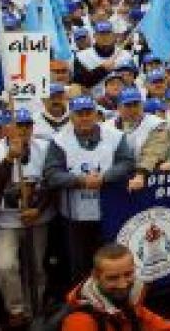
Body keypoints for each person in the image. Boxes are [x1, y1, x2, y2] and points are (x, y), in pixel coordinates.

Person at [43, 96, 135, 282]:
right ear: (72, 116)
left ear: (95, 114)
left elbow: (127, 163)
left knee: (111, 259)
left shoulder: (115, 136)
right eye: (79, 114)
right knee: (80, 263)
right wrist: (80, 181)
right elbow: (51, 173)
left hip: (109, 210)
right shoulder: (59, 140)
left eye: (88, 113)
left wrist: (105, 178)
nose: (84, 118)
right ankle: (84, 301)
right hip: (75, 215)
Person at [0, 109, 52, 328]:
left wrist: (38, 209)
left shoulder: (45, 148)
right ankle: (16, 309)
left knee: (36, 268)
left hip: (36, 218)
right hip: (5, 221)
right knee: (5, 266)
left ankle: (35, 309)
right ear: (7, 128)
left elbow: (52, 184)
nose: (23, 130)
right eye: (18, 125)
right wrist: (9, 159)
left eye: (27, 125)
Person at [59, 242, 170, 331]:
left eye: (128, 274)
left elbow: (157, 325)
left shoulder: (128, 301)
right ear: (96, 277)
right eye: (112, 278)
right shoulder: (81, 320)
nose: (123, 284)